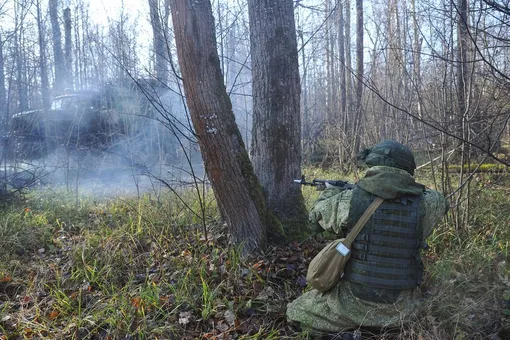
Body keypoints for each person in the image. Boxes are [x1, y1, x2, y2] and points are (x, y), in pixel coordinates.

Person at [287, 140, 448, 338]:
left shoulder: (350, 199)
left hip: (352, 302)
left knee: (296, 311)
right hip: (403, 309)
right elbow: (440, 200)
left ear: (373, 164)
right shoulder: (430, 202)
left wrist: (331, 190)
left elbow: (315, 216)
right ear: (408, 168)